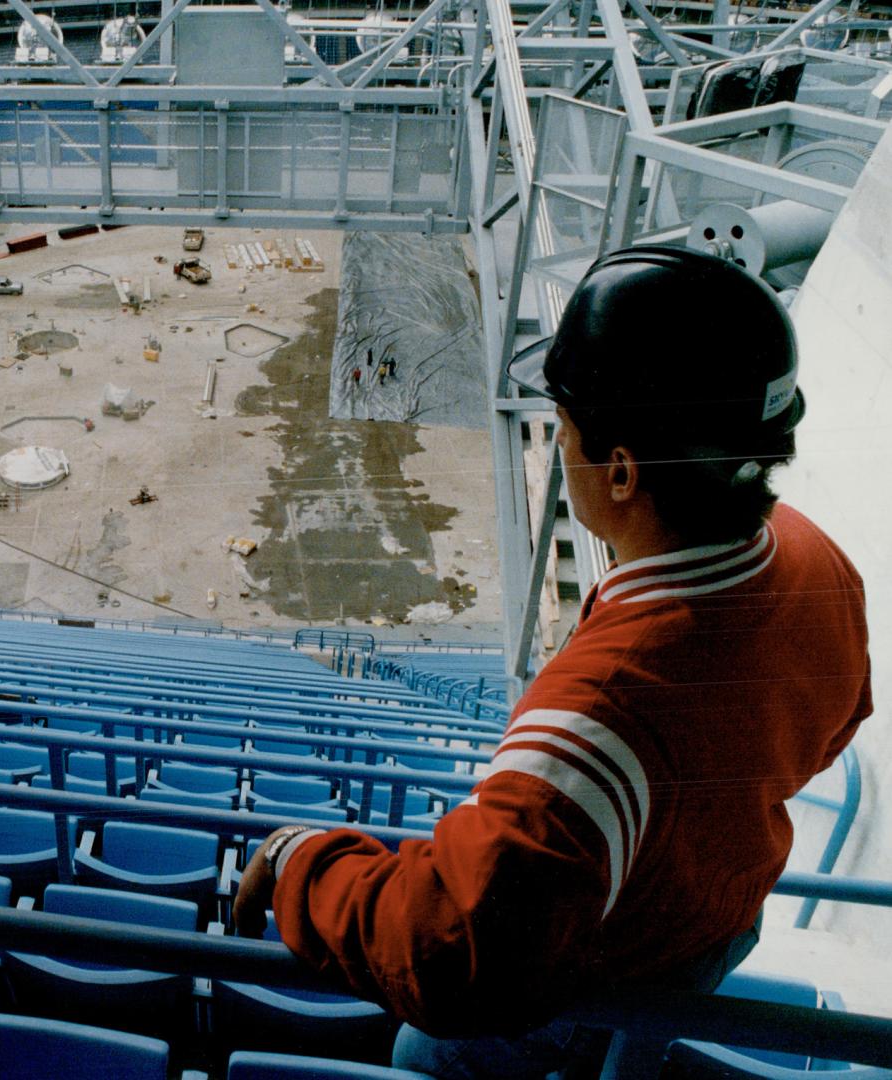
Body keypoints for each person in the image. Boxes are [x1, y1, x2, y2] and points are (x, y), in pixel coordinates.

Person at [233, 246, 872, 1078]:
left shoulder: (606, 709)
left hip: (605, 957)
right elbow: (837, 720)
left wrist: (298, 862)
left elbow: (450, 954)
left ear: (619, 471)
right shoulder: (815, 561)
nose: (557, 440)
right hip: (718, 921)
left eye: (563, 428)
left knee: (427, 1054)